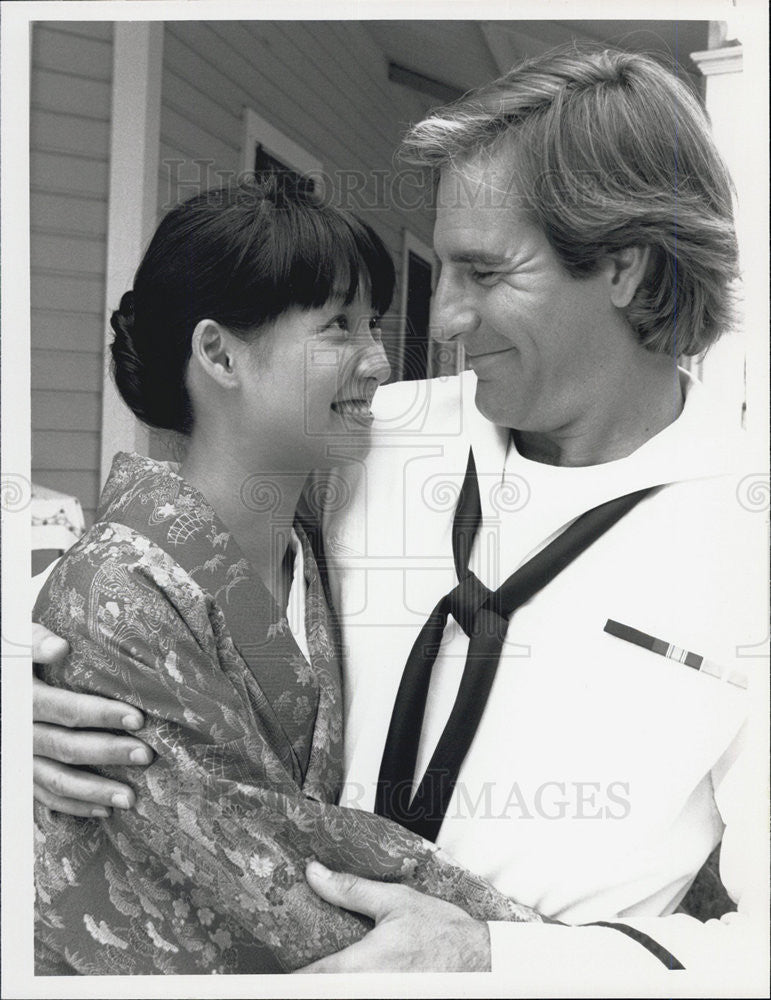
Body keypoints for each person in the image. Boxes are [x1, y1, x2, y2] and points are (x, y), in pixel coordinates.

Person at [32, 47, 767, 982]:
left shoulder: (751, 536)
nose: (444, 317)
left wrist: (493, 957)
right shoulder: (375, 437)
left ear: (623, 267)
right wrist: (33, 672)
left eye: (484, 272)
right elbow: (166, 553)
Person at [31, 176, 541, 976]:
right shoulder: (114, 600)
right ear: (218, 352)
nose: (378, 360)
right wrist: (535, 949)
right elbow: (253, 871)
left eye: (373, 323)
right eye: (337, 327)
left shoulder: (315, 539)